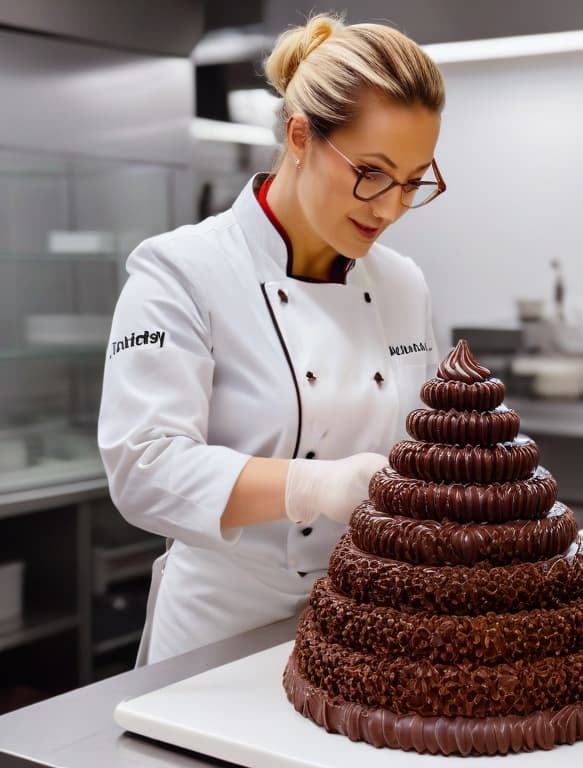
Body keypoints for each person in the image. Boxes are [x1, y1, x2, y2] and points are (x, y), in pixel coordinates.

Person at [98, 13, 446, 665]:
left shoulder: (403, 284)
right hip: (217, 638)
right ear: (299, 136)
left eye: (413, 181)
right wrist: (313, 488)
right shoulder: (182, 269)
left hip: (364, 626)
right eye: (371, 172)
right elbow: (143, 468)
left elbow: (420, 445)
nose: (389, 207)